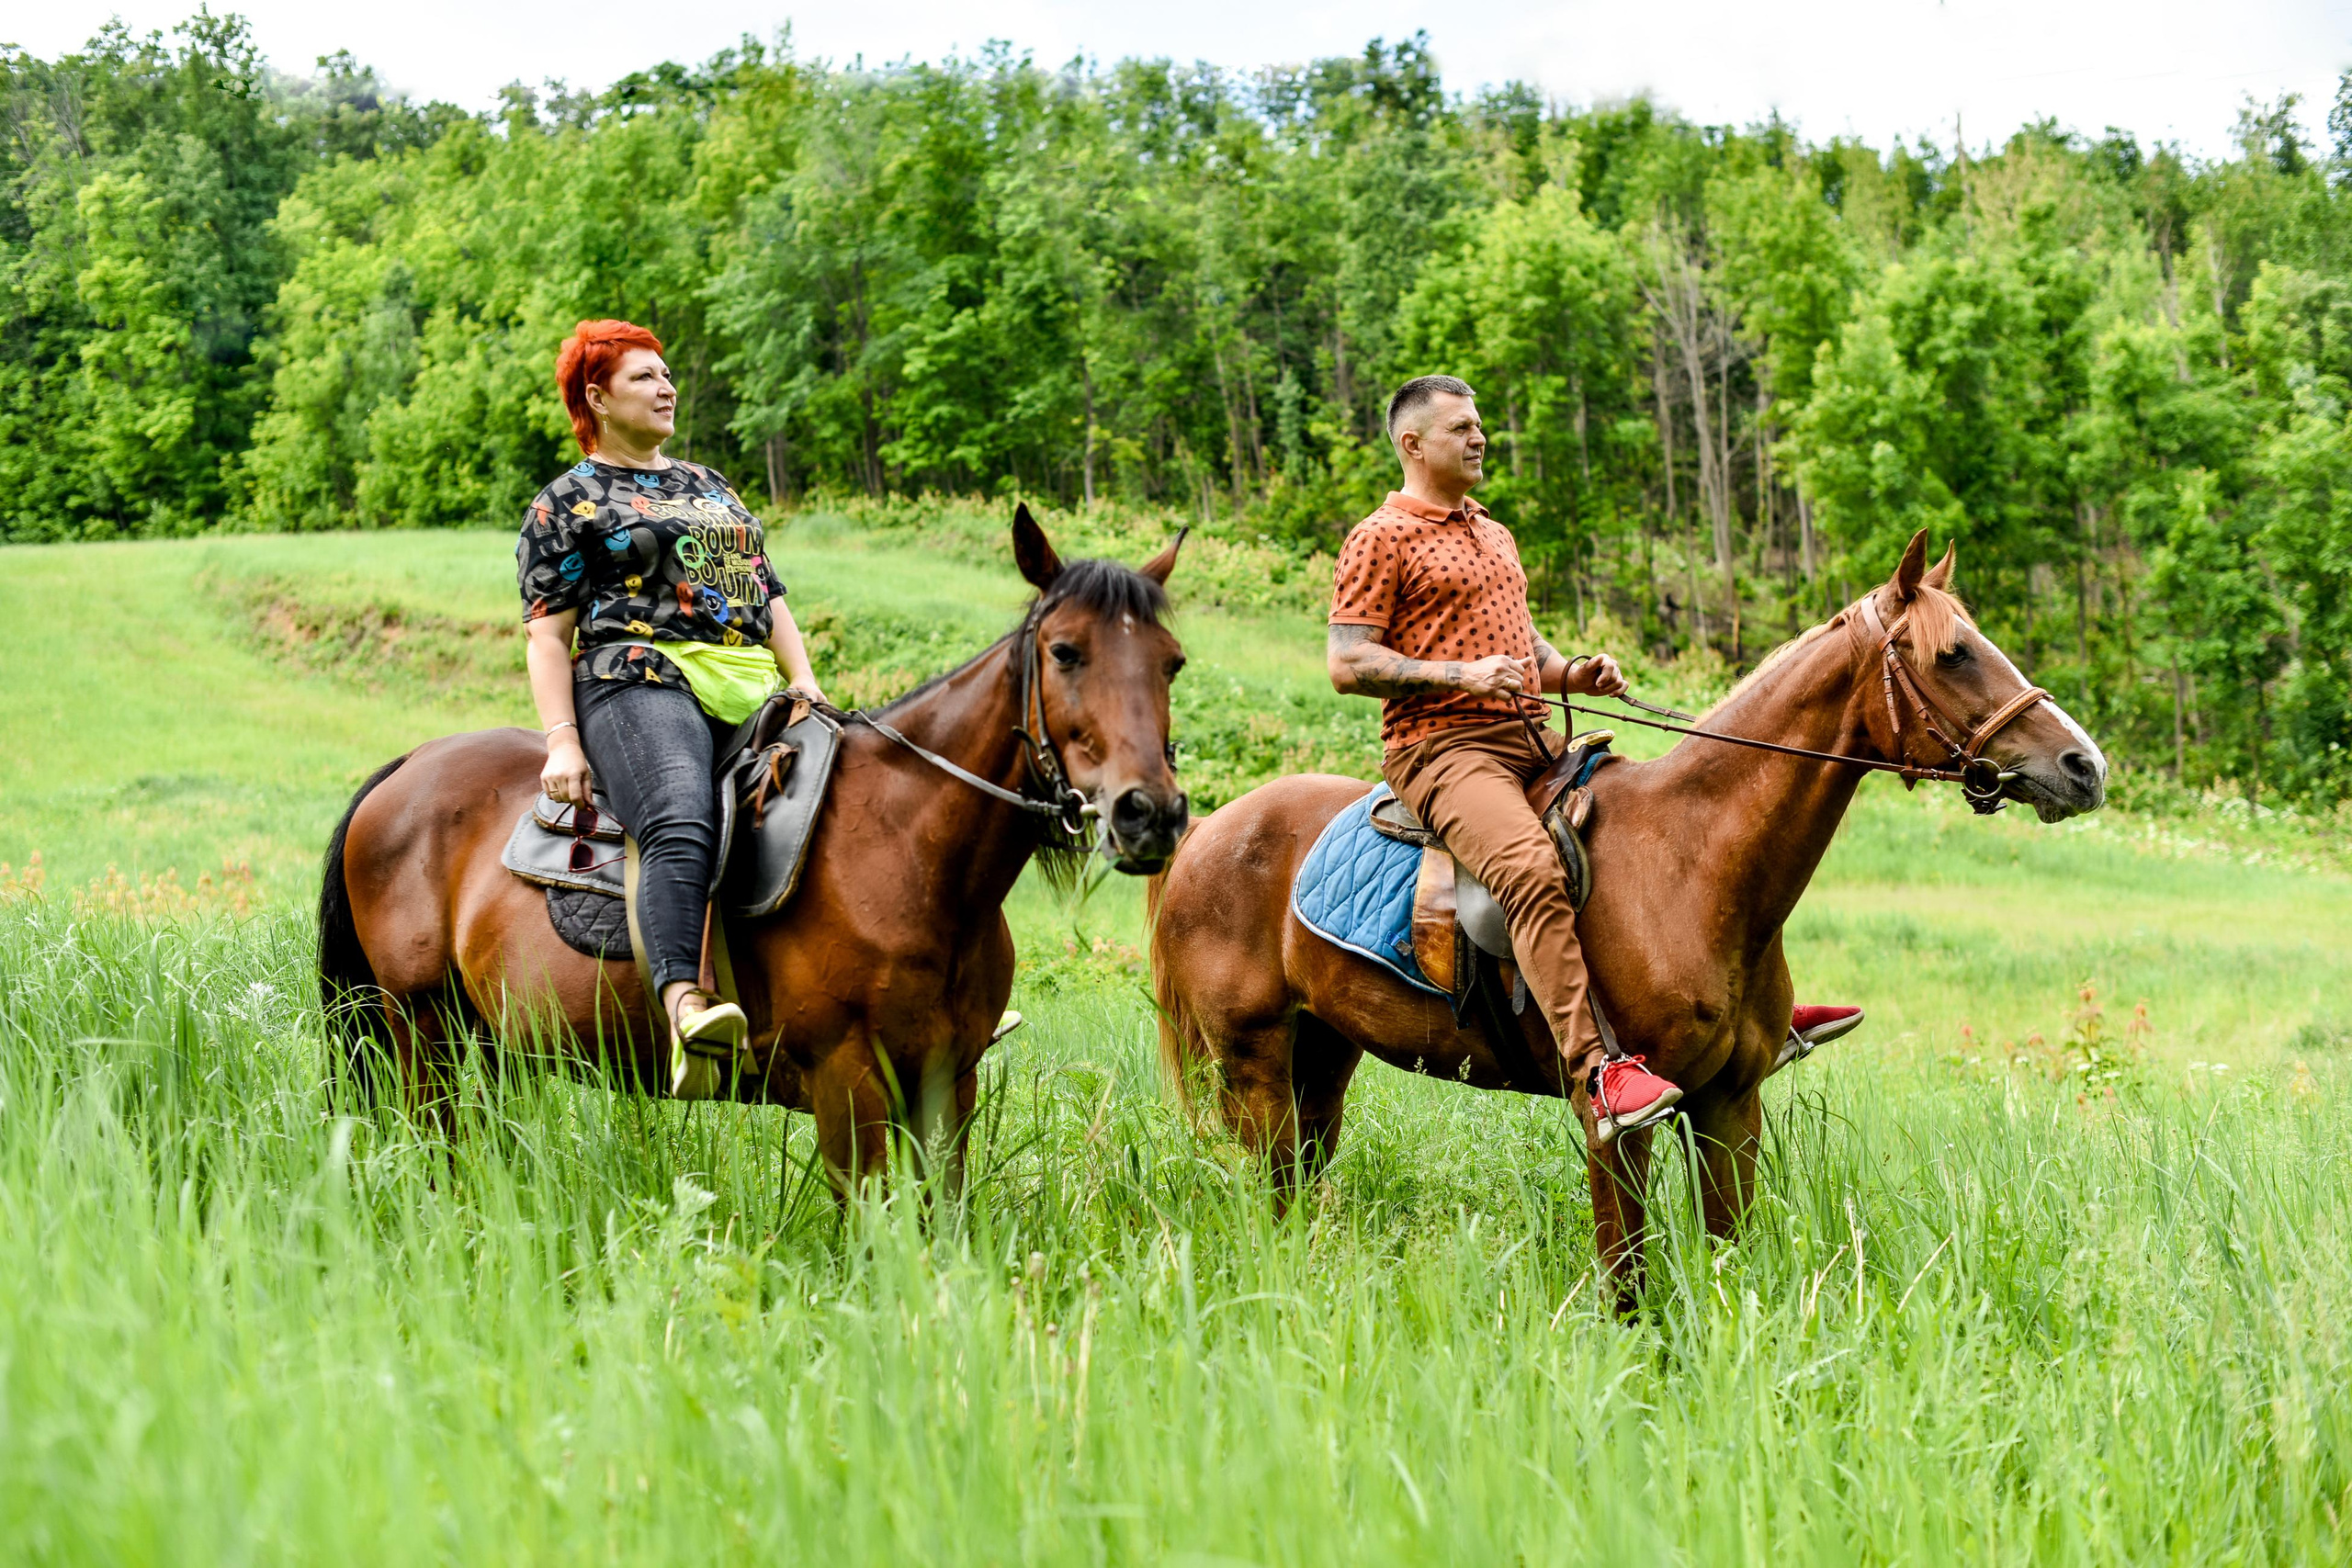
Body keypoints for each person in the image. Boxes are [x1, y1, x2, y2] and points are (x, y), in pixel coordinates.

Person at [1327, 375, 1856, 1143]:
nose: (1479, 438)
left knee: (1669, 836)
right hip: (1443, 750)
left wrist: (1572, 672)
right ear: (1412, 443)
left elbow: (1522, 645)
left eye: (1479, 425)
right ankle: (1597, 1069)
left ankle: (1745, 1013)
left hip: (1531, 739)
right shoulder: (1381, 536)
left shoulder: (1492, 532)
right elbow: (1348, 661)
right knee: (1529, 870)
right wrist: (1460, 676)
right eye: (1460, 428)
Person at [518, 319, 826, 1099]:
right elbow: (548, 636)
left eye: (666, 374)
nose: (667, 387)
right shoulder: (567, 501)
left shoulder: (711, 484)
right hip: (637, 677)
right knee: (680, 815)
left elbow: (768, 593)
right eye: (645, 377)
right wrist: (562, 741)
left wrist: (804, 680)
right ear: (598, 398)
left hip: (751, 680)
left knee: (855, 790)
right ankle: (688, 1008)